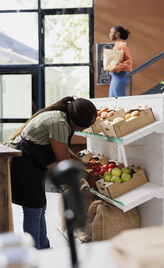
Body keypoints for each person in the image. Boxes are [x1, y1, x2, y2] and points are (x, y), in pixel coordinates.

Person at [5, 96, 97, 249]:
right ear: (75, 121)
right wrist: (87, 175)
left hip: (34, 164)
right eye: (81, 128)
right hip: (23, 164)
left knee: (40, 207)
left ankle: (44, 248)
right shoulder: (59, 122)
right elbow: (63, 162)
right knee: (33, 209)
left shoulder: (64, 117)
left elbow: (63, 147)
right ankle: (34, 251)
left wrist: (82, 163)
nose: (81, 131)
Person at [108, 26, 133, 97]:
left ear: (117, 34)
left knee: (120, 100)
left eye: (111, 32)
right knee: (112, 99)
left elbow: (128, 62)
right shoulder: (116, 45)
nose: (109, 34)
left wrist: (116, 68)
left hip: (120, 75)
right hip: (115, 76)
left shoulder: (122, 46)